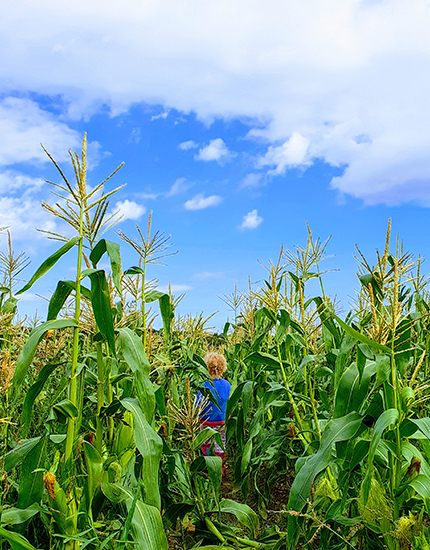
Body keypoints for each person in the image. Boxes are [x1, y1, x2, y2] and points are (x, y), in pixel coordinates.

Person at [197, 352, 231, 473]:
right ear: (223, 368)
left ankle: (208, 465)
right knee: (220, 444)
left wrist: (195, 417)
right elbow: (230, 403)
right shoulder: (227, 385)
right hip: (221, 422)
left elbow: (198, 405)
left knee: (206, 443)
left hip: (206, 422)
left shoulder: (204, 385)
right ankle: (220, 468)